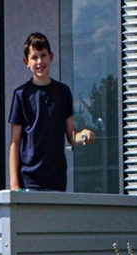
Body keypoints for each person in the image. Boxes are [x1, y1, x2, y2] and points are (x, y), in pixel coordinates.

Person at [8, 32, 94, 191]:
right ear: (26, 62)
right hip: (29, 180)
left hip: (56, 178)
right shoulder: (21, 95)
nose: (40, 61)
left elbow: (71, 136)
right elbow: (15, 141)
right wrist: (14, 184)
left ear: (51, 57)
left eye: (43, 55)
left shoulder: (63, 92)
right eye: (34, 57)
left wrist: (83, 136)